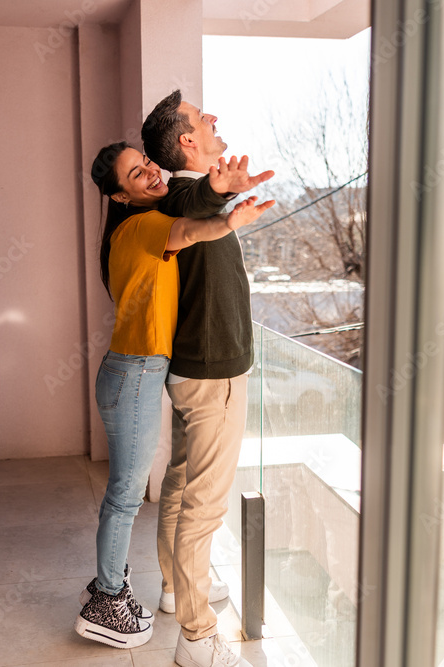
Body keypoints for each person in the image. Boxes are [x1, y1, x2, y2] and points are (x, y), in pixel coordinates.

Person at [75, 141, 273, 650]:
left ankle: (122, 589)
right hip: (136, 374)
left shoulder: (136, 227)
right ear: (121, 197)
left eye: (147, 164)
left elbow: (183, 225)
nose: (152, 173)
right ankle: (107, 600)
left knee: (134, 492)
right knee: (124, 496)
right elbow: (187, 231)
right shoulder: (140, 226)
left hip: (135, 372)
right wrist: (230, 220)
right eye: (137, 175)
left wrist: (222, 212)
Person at [141, 90, 265, 667]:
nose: (213, 115)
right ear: (187, 141)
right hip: (213, 376)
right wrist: (218, 187)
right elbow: (196, 193)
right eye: (201, 116)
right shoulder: (183, 194)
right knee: (204, 505)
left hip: (198, 370)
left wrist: (220, 194)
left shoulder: (185, 199)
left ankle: (173, 588)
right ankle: (196, 637)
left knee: (183, 480)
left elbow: (199, 200)